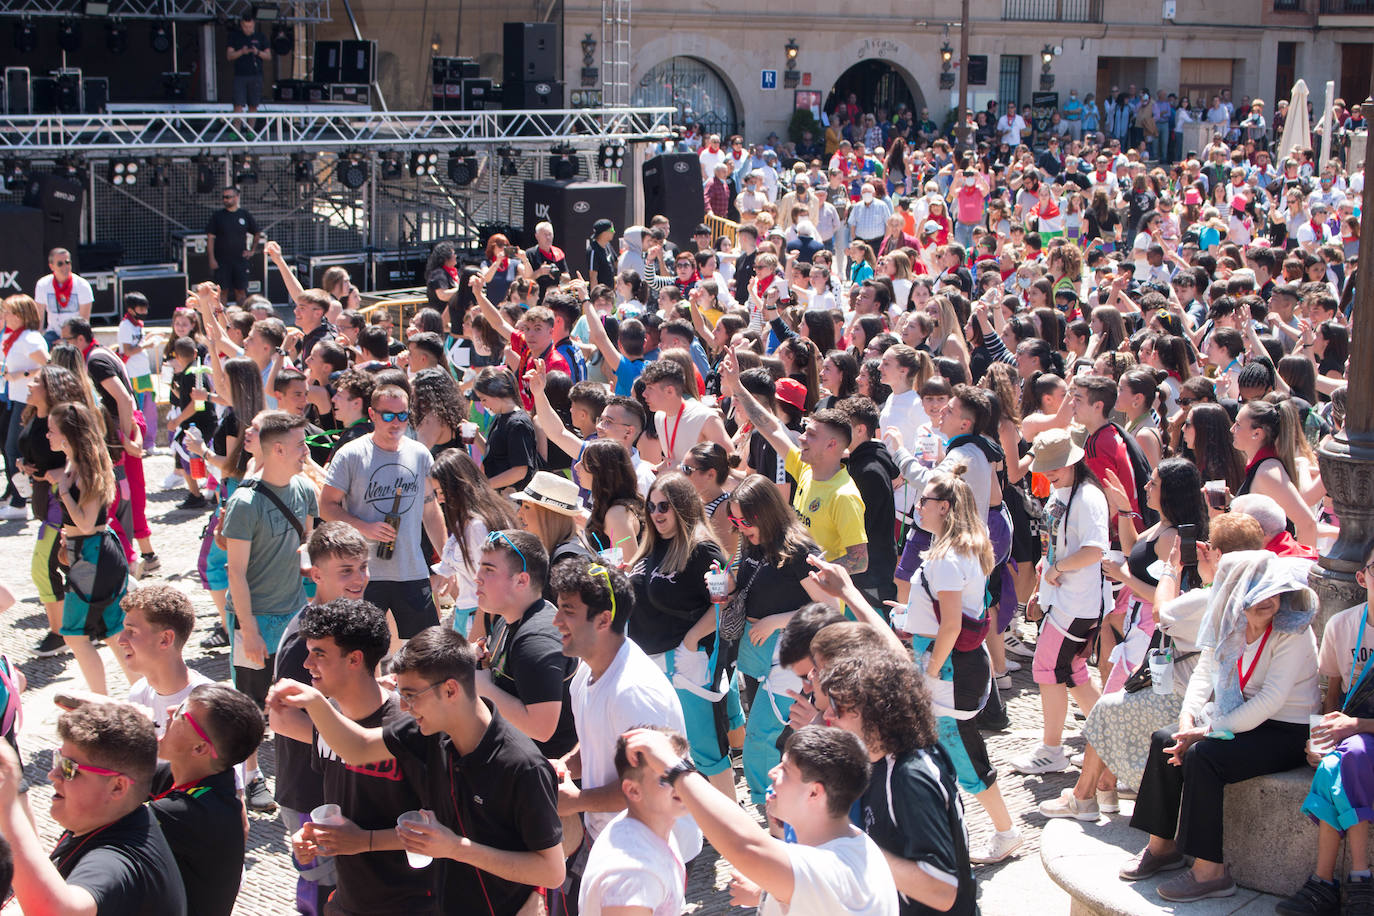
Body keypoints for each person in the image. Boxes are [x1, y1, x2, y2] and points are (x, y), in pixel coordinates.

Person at [268, 626, 567, 916]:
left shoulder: (521, 765)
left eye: (411, 695)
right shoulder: (428, 733)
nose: (405, 706)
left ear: (450, 689)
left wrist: (454, 847)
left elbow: (552, 872)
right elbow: (357, 747)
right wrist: (315, 701)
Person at [1123, 550, 1319, 903]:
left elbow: (1272, 700)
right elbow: (1205, 670)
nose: (1266, 602)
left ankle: (1210, 871)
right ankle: (1161, 846)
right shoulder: (1229, 621)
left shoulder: (1294, 630)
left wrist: (1207, 731)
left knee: (1204, 756)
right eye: (1254, 595)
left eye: (1271, 593)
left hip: (1285, 729)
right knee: (1165, 739)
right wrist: (1187, 719)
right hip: (1241, 716)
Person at [271, 598, 438, 916]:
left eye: (318, 654)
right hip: (349, 901)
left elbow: (443, 825)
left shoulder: (412, 725)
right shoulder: (327, 717)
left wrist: (364, 841)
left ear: (355, 659)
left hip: (415, 904)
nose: (306, 665)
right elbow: (340, 803)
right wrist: (311, 838)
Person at [623, 724, 899, 916]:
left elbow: (745, 846)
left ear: (815, 792)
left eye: (786, 770)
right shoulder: (847, 847)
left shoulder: (829, 867)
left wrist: (674, 769)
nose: (772, 773)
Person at [820, 651, 979, 916]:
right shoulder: (883, 758)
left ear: (873, 712)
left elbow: (942, 890)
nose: (827, 714)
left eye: (837, 707)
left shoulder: (910, 779)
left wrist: (851, 845)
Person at [0, 703, 187, 915]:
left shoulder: (115, 859)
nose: (53, 774)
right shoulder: (111, 819)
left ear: (118, 786)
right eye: (58, 759)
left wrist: (8, 807)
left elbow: (55, 911)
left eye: (70, 768)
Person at [221, 409, 316, 810]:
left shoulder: (305, 489)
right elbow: (236, 574)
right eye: (298, 445)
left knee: (293, 697)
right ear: (277, 449)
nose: (305, 451)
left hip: (294, 614)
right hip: (254, 618)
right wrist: (250, 630)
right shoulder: (244, 503)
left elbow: (308, 546)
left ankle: (296, 774)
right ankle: (250, 776)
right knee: (250, 705)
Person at [1277, 541, 1374, 916]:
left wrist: (1355, 726)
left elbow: (1349, 719)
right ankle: (1360, 881)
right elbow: (1332, 698)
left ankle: (1325, 885)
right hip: (1355, 735)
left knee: (1348, 759)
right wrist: (1322, 739)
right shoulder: (1343, 624)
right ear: (1362, 577)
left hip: (1362, 732)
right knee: (1338, 762)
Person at [628, 472, 738, 800]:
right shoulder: (653, 547)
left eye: (665, 506)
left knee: (706, 750)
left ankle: (734, 825)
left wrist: (691, 641)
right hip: (652, 664)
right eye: (651, 506)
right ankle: (696, 819)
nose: (657, 513)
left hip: (685, 662)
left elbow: (727, 602)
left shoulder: (701, 550)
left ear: (683, 507)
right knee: (671, 750)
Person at [728, 475, 833, 804]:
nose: (739, 527)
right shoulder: (753, 543)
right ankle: (787, 796)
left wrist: (776, 621)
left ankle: (767, 801)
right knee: (777, 732)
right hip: (757, 653)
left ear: (765, 513)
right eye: (734, 519)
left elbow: (829, 607)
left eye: (744, 520)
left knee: (760, 735)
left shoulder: (799, 549)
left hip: (791, 653)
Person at [1012, 428, 1109, 776]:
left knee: (1048, 670)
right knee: (1073, 673)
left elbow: (1096, 550)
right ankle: (1107, 741)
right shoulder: (1063, 492)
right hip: (1063, 599)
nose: (1050, 472)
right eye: (1046, 467)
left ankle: (1052, 750)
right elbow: (1054, 546)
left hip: (1077, 602)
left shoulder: (1087, 497)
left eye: (1055, 466)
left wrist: (1055, 570)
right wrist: (1044, 580)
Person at [722, 346, 868, 574]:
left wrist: (811, 572)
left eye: (811, 434)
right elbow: (770, 426)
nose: (801, 438)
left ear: (832, 445)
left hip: (820, 601)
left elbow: (859, 561)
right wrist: (737, 386)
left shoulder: (844, 496)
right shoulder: (805, 469)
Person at [322, 383, 447, 642]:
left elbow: (431, 509)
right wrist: (363, 527)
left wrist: (448, 561)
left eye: (402, 415)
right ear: (372, 414)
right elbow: (327, 506)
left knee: (426, 649)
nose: (396, 422)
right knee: (361, 650)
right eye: (388, 415)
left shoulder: (419, 453)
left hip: (411, 570)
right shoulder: (351, 454)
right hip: (364, 573)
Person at [150, 683, 266, 916]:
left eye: (182, 713)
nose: (171, 711)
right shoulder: (209, 781)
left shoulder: (187, 812)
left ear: (200, 748)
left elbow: (101, 814)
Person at [49, 401, 134, 695]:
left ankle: (102, 701)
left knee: (75, 634)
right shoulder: (78, 462)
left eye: (52, 430)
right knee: (112, 632)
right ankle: (143, 694)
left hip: (92, 555)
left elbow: (86, 523)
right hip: (92, 553)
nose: (48, 435)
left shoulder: (85, 467)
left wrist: (63, 492)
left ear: (67, 433)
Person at [471, 529, 580, 759]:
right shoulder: (507, 617)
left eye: (489, 570)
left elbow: (542, 728)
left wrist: (484, 688)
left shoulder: (536, 640)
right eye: (480, 567)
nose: (477, 577)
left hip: (545, 778)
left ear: (522, 580)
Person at [578, 728, 692, 916]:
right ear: (633, 791)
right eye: (666, 777)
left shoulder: (652, 827)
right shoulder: (633, 874)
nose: (682, 781)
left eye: (684, 768)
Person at [1, 293, 49, 519]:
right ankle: (18, 497)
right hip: (17, 398)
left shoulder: (29, 339)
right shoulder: (16, 338)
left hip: (28, 401)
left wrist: (24, 373)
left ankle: (20, 502)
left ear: (21, 315)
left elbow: (49, 365)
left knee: (13, 450)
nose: (5, 316)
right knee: (11, 449)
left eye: (9, 312)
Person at [207, 187, 264, 305]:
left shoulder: (244, 214)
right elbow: (210, 238)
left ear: (236, 197)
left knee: (241, 291)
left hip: (240, 260)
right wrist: (211, 259)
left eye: (228, 197)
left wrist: (252, 251)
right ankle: (221, 320)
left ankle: (242, 320)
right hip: (222, 261)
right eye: (224, 197)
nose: (226, 200)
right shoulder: (218, 216)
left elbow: (257, 232)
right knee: (222, 291)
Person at [34, 248, 93, 343]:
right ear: (51, 266)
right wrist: (36, 342)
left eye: (67, 262)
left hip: (75, 335)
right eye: (60, 264)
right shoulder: (43, 284)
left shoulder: (82, 285)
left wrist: (66, 341)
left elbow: (84, 322)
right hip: (52, 333)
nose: (65, 266)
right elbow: (39, 319)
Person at [227, 9, 271, 114]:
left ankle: (251, 130)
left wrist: (257, 52)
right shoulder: (235, 36)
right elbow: (229, 56)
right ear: (241, 25)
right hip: (240, 75)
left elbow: (268, 56)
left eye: (250, 27)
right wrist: (241, 52)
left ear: (254, 25)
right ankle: (237, 129)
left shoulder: (261, 37)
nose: (248, 29)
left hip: (256, 75)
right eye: (245, 27)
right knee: (238, 104)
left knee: (253, 105)